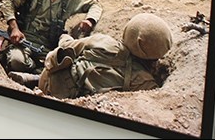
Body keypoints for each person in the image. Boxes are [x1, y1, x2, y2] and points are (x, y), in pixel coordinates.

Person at [0, 0, 103, 85]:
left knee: (70, 68)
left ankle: (36, 76)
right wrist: (14, 28)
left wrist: (90, 20)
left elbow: (95, 4)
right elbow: (9, 1)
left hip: (48, 47)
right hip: (24, 41)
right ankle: (39, 74)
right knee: (17, 61)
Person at [38, 13, 173, 99]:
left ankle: (32, 79)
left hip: (48, 80)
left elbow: (69, 46)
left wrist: (64, 36)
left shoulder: (103, 41)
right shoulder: (146, 82)